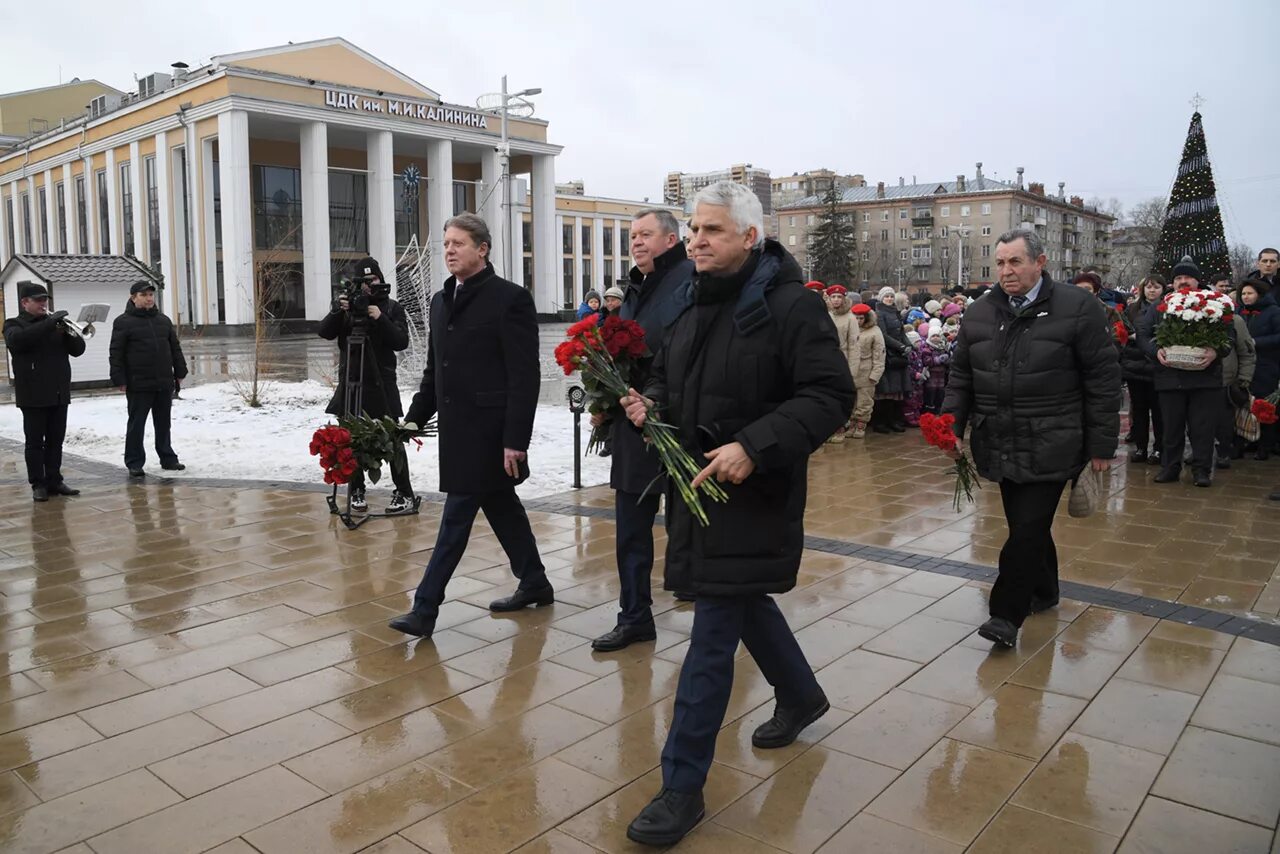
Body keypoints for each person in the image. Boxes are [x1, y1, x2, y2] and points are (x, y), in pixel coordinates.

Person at [619, 182, 853, 846]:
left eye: (712, 230)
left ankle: (681, 787)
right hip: (696, 490)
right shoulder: (693, 302)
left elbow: (830, 394)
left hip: (753, 496)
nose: (696, 239)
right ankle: (802, 695)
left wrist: (756, 444)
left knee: (713, 635)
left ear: (750, 238)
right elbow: (668, 375)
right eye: (694, 228)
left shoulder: (790, 308)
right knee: (742, 600)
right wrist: (649, 406)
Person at [943, 229, 1121, 648]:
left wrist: (1102, 444)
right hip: (999, 438)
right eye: (1000, 263)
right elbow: (962, 376)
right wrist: (950, 424)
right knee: (1027, 525)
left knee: (1026, 529)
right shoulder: (981, 312)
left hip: (1054, 438)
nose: (1005, 271)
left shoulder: (1078, 308)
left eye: (1015, 262)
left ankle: (1006, 615)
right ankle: (1045, 590)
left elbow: (1103, 379)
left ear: (1040, 263)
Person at [388, 214, 551, 638]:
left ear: (482, 249)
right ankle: (534, 580)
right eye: (446, 243)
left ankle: (425, 608)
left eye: (459, 243)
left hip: (491, 434)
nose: (449, 250)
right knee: (501, 508)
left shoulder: (510, 299)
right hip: (456, 433)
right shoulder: (441, 301)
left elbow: (523, 376)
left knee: (456, 519)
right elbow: (433, 373)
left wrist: (515, 440)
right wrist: (412, 419)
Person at [591, 209, 695, 653]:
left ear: (671, 240)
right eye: (633, 235)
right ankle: (634, 616)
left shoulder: (691, 281)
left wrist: (657, 399)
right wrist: (602, 398)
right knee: (631, 527)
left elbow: (686, 350)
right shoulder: (633, 287)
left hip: (678, 420)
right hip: (632, 422)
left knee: (688, 524)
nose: (636, 242)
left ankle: (715, 611)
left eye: (645, 235)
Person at [317, 256, 415, 514]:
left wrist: (380, 317)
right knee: (350, 438)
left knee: (393, 439)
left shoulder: (391, 307)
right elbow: (325, 332)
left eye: (373, 280)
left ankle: (404, 492)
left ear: (381, 280)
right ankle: (356, 489)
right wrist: (339, 311)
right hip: (352, 382)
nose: (368, 287)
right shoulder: (347, 306)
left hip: (382, 383)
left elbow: (401, 342)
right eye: (363, 281)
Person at [1139, 256, 1237, 487]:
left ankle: (1201, 470)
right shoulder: (1160, 305)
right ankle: (1170, 467)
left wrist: (1215, 351)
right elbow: (1143, 334)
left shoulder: (1215, 303)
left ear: (1197, 281)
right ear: (1172, 282)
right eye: (1178, 278)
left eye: (1188, 277)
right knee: (1171, 428)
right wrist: (1156, 351)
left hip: (1205, 379)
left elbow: (1229, 336)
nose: (1183, 282)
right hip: (1170, 378)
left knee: (1202, 428)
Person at [3, 281, 86, 501]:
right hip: (32, 394)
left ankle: (54, 480)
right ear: (24, 303)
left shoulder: (56, 325)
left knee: (55, 440)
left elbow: (78, 351)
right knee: (34, 442)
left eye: (45, 299)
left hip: (58, 392)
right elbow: (18, 342)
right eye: (38, 300)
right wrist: (49, 323)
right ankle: (37, 483)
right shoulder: (14, 324)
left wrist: (70, 331)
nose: (43, 303)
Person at [108, 280, 189, 478]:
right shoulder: (123, 322)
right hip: (138, 383)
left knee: (163, 423)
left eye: (151, 295)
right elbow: (116, 352)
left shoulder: (163, 320)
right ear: (133, 298)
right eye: (144, 295)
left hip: (162, 381)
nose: (149, 298)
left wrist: (180, 371)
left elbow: (174, 347)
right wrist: (119, 378)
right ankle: (134, 462)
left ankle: (168, 458)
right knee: (137, 424)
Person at [1121, 276, 1167, 465]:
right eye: (1148, 287)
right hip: (1135, 366)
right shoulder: (1132, 309)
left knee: (1159, 411)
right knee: (1139, 410)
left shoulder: (1168, 307)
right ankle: (1141, 447)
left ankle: (1159, 449)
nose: (1151, 291)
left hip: (1158, 367)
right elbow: (1123, 330)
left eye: (1156, 287)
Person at [1240, 278, 1280, 458]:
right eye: (1243, 294)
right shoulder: (1240, 312)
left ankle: (1266, 445)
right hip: (1245, 366)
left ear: (1259, 294)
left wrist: (1257, 342)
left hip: (1266, 365)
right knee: (1245, 405)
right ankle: (1248, 440)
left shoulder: (1273, 312)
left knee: (1265, 406)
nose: (1245, 297)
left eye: (1249, 293)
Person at [872, 286, 911, 432]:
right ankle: (881, 422)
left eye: (891, 296)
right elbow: (883, 334)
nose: (889, 299)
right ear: (881, 298)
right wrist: (901, 347)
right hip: (888, 354)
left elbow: (901, 332)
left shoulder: (896, 312)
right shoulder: (879, 313)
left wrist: (909, 345)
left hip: (899, 354)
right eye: (886, 296)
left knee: (897, 389)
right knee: (885, 390)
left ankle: (894, 419)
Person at [824, 284, 859, 444]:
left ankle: (840, 427)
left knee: (839, 396)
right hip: (825, 360)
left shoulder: (850, 318)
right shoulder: (825, 315)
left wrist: (852, 369)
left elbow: (854, 344)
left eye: (839, 297)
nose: (836, 300)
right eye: (833, 297)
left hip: (842, 358)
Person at [850, 303, 884, 438]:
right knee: (851, 401)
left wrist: (876, 373)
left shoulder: (875, 331)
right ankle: (850, 424)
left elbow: (879, 353)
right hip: (851, 370)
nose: (858, 321)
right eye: (856, 318)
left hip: (866, 370)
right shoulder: (849, 330)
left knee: (864, 401)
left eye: (861, 318)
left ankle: (860, 425)